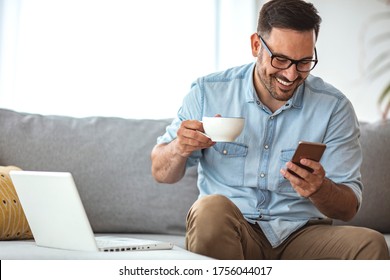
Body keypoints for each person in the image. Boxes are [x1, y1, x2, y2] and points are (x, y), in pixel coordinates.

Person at [151, 0, 389, 260]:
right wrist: (178, 148)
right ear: (256, 45)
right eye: (281, 59)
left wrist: (319, 188)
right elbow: (161, 173)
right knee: (209, 209)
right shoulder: (208, 92)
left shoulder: (334, 108)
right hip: (231, 228)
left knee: (371, 245)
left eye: (304, 62)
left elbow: (348, 207)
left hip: (301, 235)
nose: (290, 74)